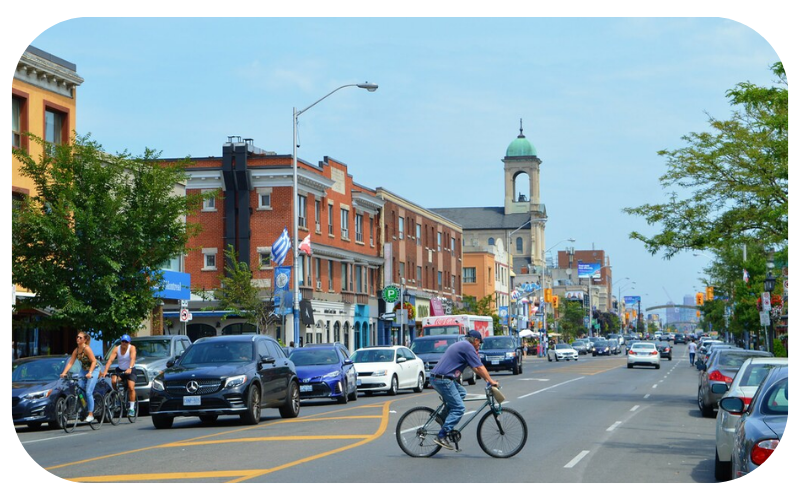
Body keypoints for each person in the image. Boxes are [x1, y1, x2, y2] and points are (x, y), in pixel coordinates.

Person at [428, 330, 499, 451]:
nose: (479, 346)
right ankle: (442, 435)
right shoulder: (467, 347)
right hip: (443, 380)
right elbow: (479, 367)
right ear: (475, 340)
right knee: (459, 408)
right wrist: (491, 381)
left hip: (443, 378)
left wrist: (486, 380)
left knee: (462, 393)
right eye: (479, 343)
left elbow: (475, 368)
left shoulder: (464, 345)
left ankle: (442, 417)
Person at [60, 332, 100, 422]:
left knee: (89, 392)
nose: (78, 339)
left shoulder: (87, 349)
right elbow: (71, 362)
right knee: (79, 390)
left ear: (85, 340)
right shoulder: (76, 350)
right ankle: (84, 406)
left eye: (80, 337)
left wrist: (90, 373)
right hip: (83, 370)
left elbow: (94, 361)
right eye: (77, 337)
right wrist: (64, 373)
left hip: (93, 369)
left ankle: (91, 414)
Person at [101, 334, 138, 417]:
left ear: (129, 343)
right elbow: (110, 360)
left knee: (131, 387)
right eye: (123, 341)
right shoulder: (117, 349)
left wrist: (130, 368)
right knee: (113, 380)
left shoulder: (132, 348)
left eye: (126, 342)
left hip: (130, 370)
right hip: (120, 370)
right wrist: (105, 371)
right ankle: (117, 395)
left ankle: (132, 408)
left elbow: (133, 358)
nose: (124, 343)